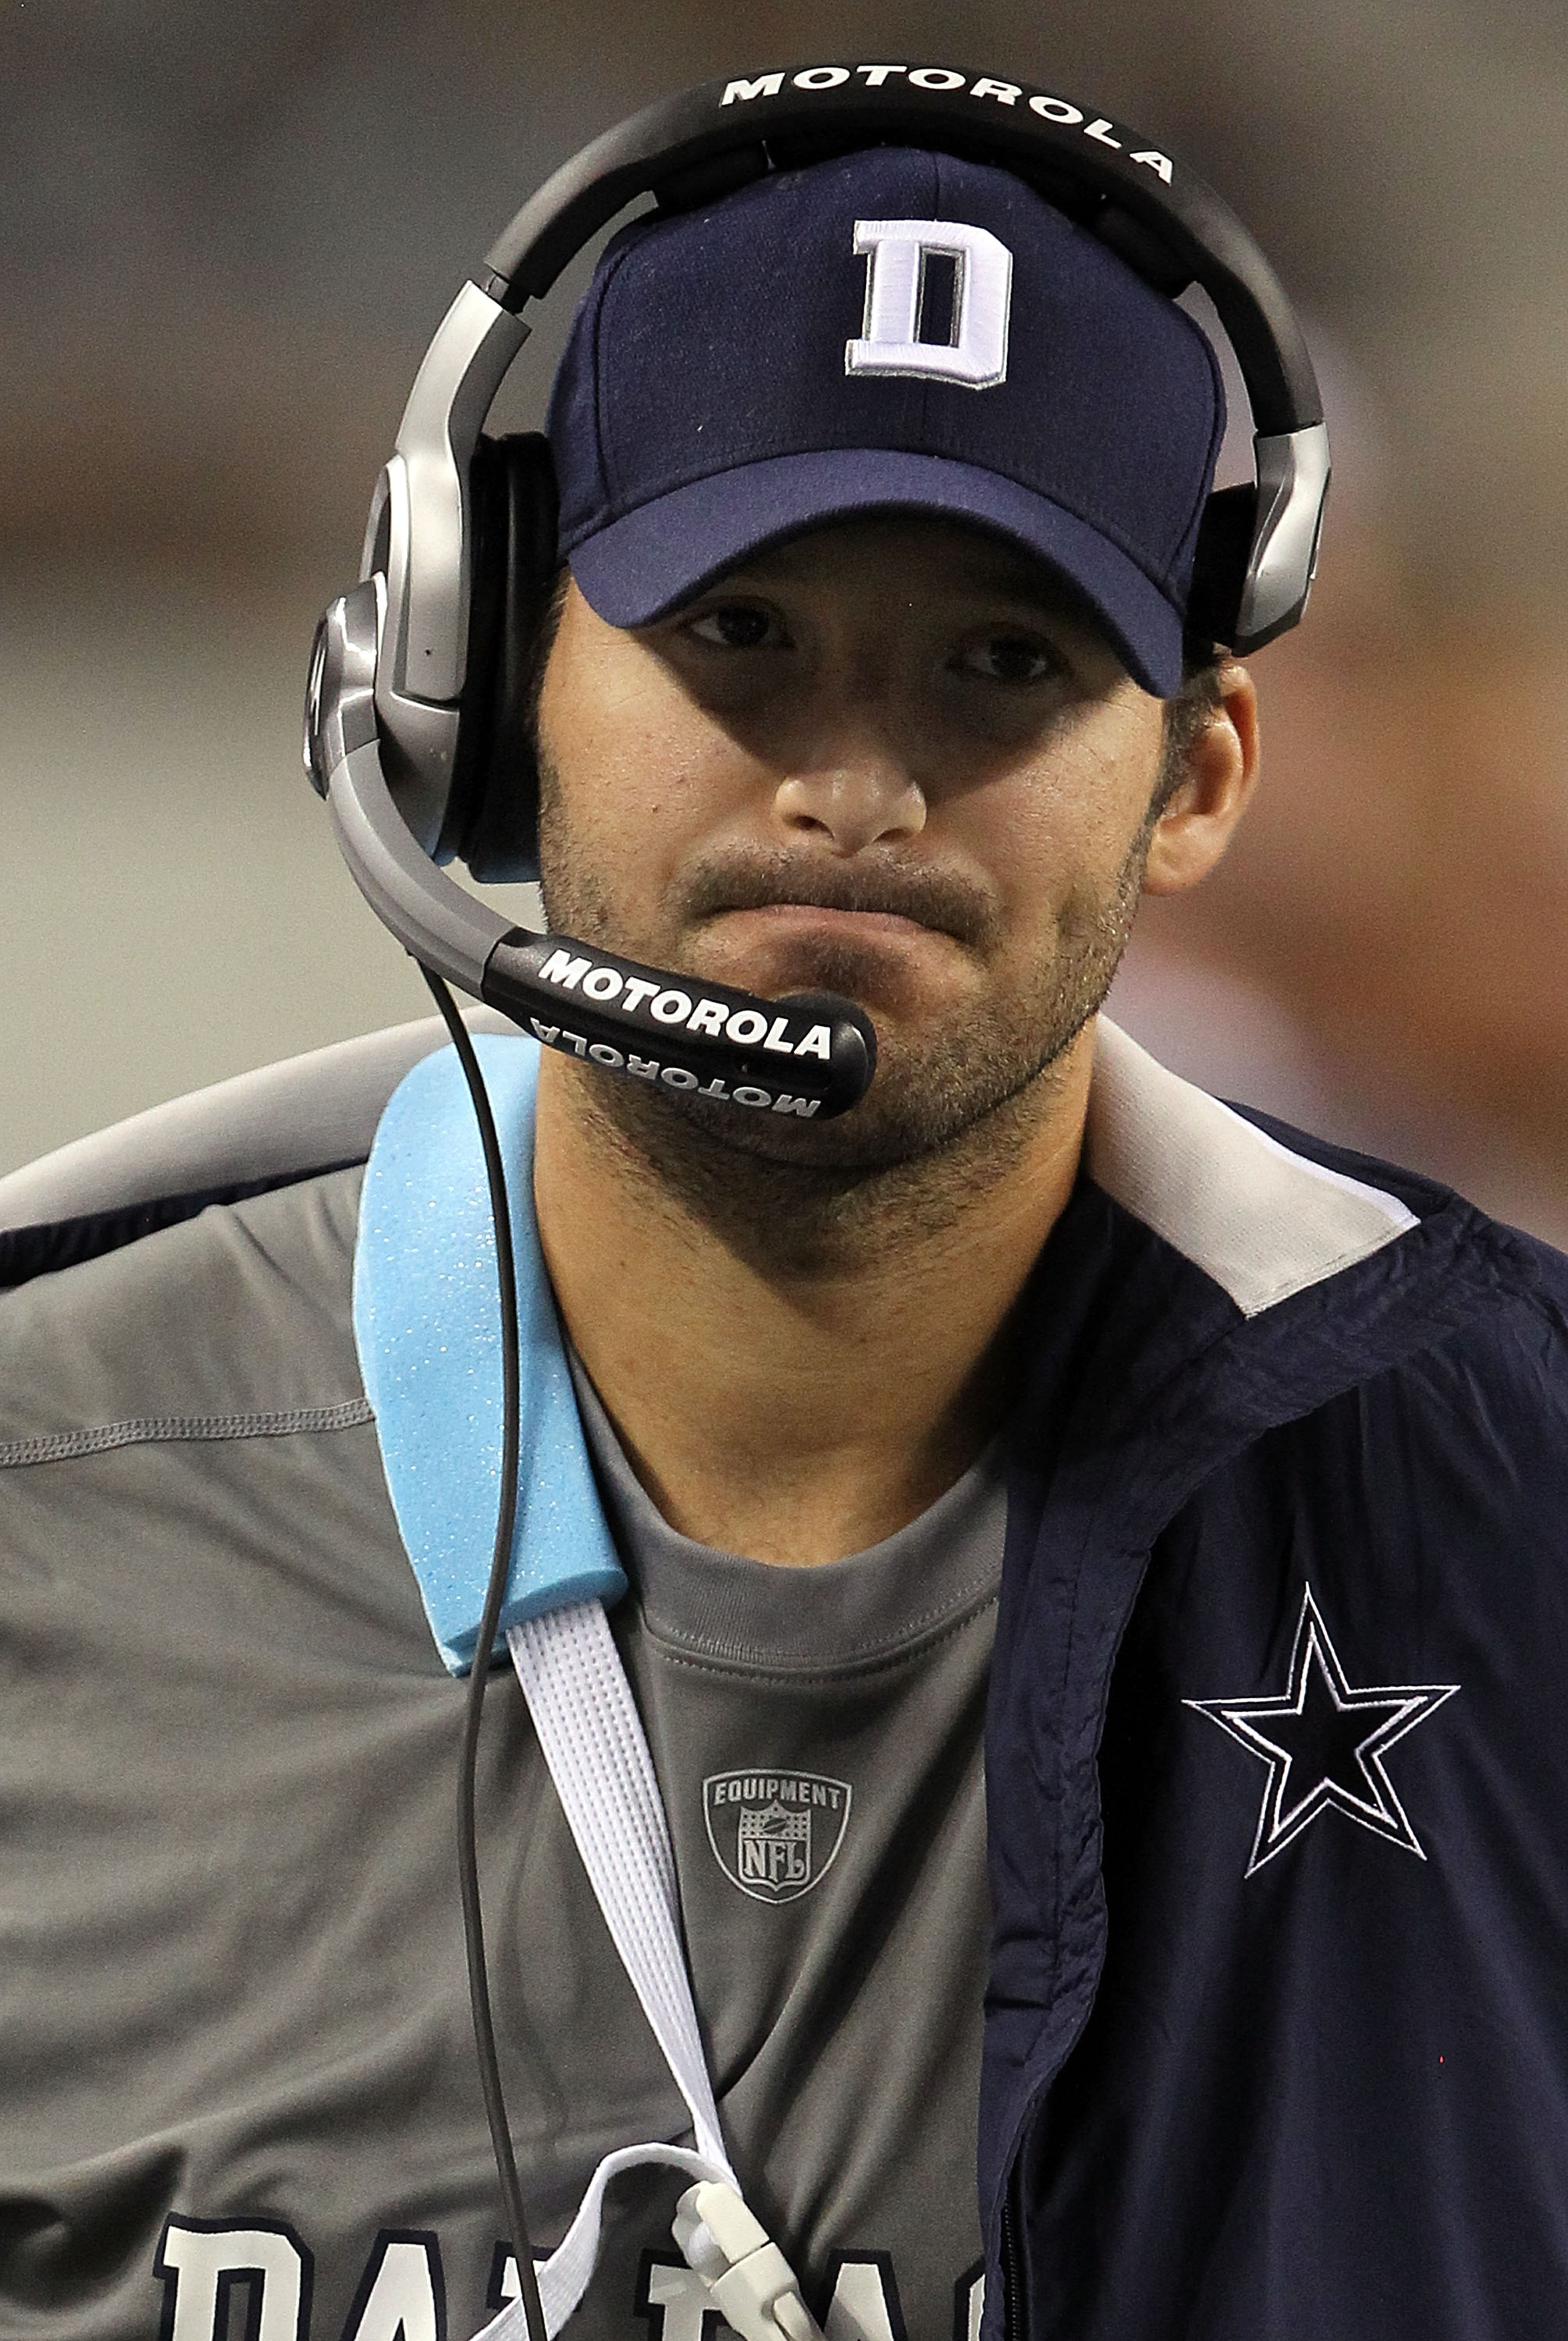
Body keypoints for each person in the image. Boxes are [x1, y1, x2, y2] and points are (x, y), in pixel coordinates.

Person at [5, 82, 1568, 2341]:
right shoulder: (46, 1497)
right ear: (486, 671)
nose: (854, 784)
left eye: (1003, 664)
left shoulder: (1504, 1505)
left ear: (1202, 774)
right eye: (738, 633)